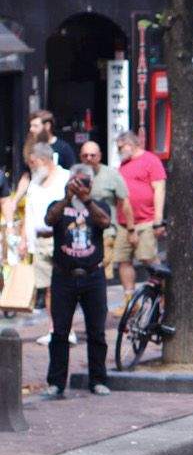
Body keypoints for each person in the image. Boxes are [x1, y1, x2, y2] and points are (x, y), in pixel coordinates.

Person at [42, 165, 112, 398]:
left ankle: (98, 380)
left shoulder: (98, 205)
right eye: (76, 181)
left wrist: (87, 200)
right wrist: (67, 198)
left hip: (93, 275)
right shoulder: (59, 205)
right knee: (60, 332)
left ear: (91, 185)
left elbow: (105, 222)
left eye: (84, 182)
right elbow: (50, 219)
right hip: (64, 276)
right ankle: (56, 383)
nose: (80, 185)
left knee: (97, 332)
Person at [5, 144, 72, 341]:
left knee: (65, 287)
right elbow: (30, 214)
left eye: (33, 163)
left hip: (61, 240)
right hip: (40, 242)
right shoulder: (35, 182)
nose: (31, 167)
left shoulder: (66, 178)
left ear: (44, 160)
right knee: (48, 287)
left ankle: (68, 330)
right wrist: (24, 240)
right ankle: (55, 329)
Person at [110, 131, 167, 305]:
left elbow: (159, 189)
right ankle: (130, 301)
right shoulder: (122, 164)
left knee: (148, 258)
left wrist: (158, 219)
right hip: (124, 223)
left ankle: (165, 295)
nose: (119, 151)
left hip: (146, 220)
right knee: (123, 260)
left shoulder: (150, 160)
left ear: (131, 144)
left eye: (121, 147)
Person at [77, 140, 126, 284]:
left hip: (105, 232)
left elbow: (124, 202)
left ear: (99, 156)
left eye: (92, 155)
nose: (89, 159)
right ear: (80, 157)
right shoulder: (75, 175)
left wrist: (127, 229)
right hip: (82, 233)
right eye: (85, 156)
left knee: (101, 271)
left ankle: (101, 304)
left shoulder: (111, 174)